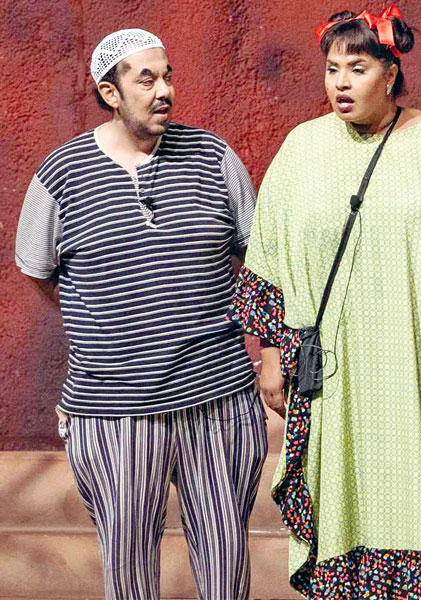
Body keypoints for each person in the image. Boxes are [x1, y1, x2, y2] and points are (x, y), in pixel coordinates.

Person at [227, 5, 421, 597]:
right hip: (335, 382)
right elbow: (268, 257)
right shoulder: (300, 150)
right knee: (342, 504)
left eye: (358, 68)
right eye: (332, 69)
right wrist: (269, 354)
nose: (340, 83)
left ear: (391, 73)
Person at [14, 28, 266, 599]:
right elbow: (38, 269)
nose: (163, 90)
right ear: (110, 92)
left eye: (167, 76)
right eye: (145, 79)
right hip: (113, 410)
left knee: (227, 563)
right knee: (127, 568)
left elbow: (257, 259)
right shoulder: (60, 175)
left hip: (218, 396)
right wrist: (110, 328)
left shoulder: (213, 156)